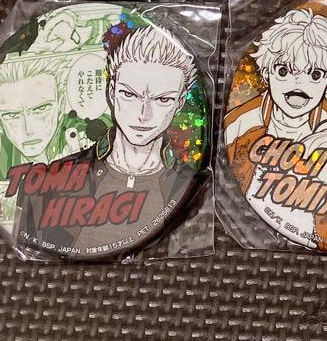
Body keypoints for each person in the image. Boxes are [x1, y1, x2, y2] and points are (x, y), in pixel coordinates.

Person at [13, 23, 200, 253]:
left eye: (163, 100)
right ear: (112, 92)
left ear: (180, 103)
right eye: (129, 94)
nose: (143, 115)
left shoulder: (188, 185)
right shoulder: (48, 182)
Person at [223, 9, 327, 246]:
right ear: (267, 73)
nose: (298, 83)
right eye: (283, 71)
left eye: (315, 74)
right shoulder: (243, 122)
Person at [0, 57, 75, 181]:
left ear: (61, 106)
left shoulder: (84, 131)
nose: (28, 130)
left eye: (42, 108)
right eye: (11, 115)